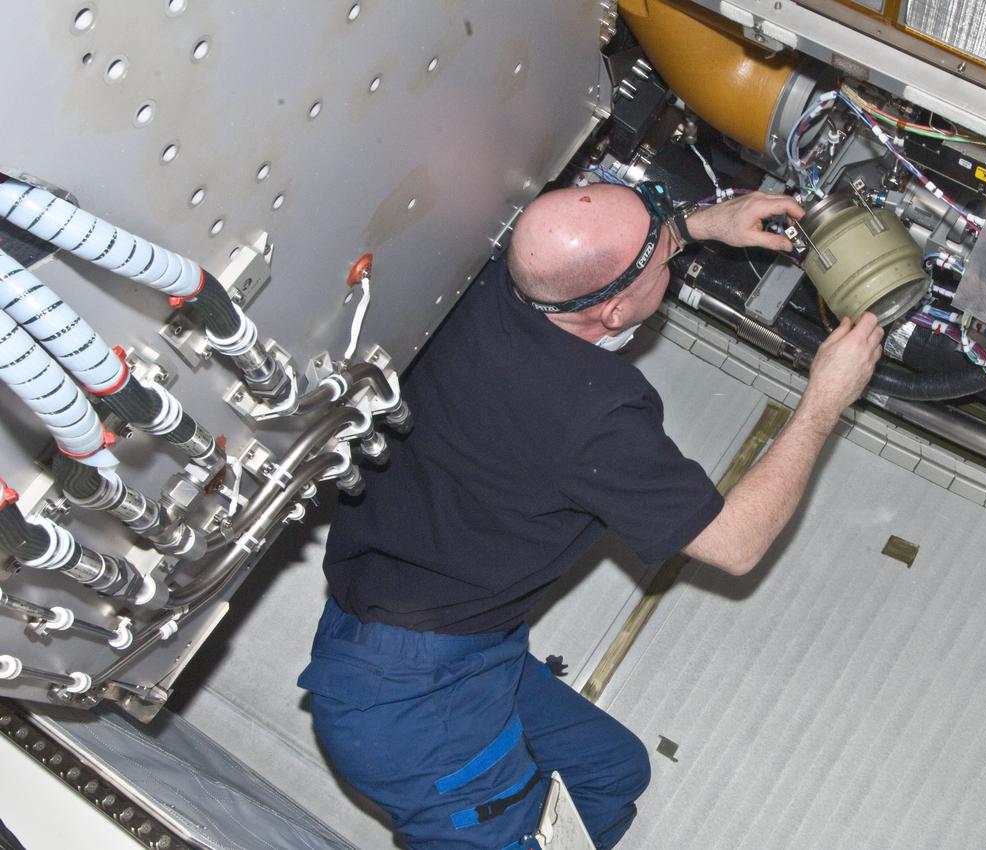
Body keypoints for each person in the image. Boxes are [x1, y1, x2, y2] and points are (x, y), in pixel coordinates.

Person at [299, 181, 884, 850]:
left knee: (609, 772)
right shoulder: (593, 415)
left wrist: (695, 226)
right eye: (659, 257)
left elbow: (607, 257)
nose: (668, 251)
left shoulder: (479, 277)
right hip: (412, 700)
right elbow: (739, 543)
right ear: (610, 314)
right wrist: (824, 400)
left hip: (436, 630)